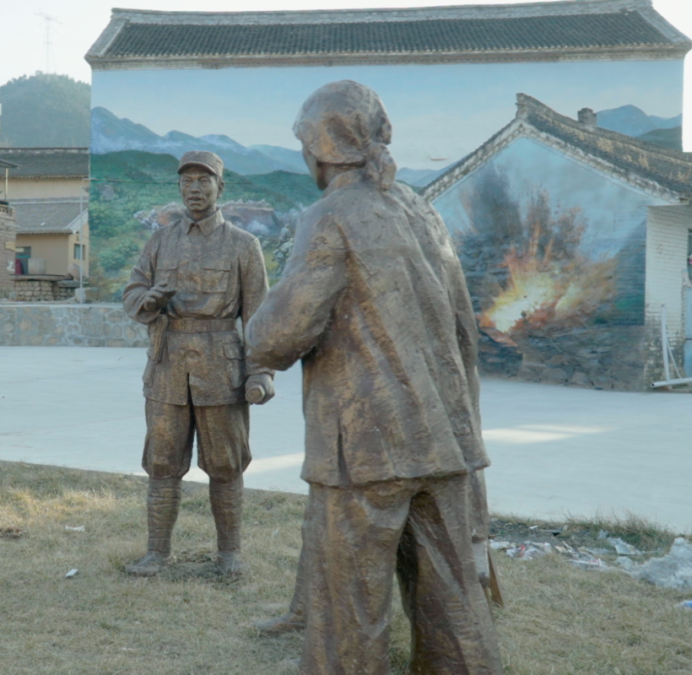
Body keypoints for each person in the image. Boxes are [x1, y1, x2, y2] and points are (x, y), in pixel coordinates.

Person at [245, 81, 503, 674]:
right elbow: (465, 331)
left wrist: (253, 325)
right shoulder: (421, 210)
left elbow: (277, 336)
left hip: (365, 451)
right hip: (444, 443)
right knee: (453, 601)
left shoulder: (330, 216)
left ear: (322, 147)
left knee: (349, 607)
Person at [123, 150, 275, 577]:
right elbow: (132, 292)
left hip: (221, 369)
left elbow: (259, 317)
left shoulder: (244, 245)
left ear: (219, 188)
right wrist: (147, 300)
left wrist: (261, 372)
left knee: (226, 465)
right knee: (162, 463)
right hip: (167, 366)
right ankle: (156, 553)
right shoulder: (160, 241)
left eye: (203, 181)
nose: (194, 189)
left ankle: (229, 554)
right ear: (179, 189)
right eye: (187, 182)